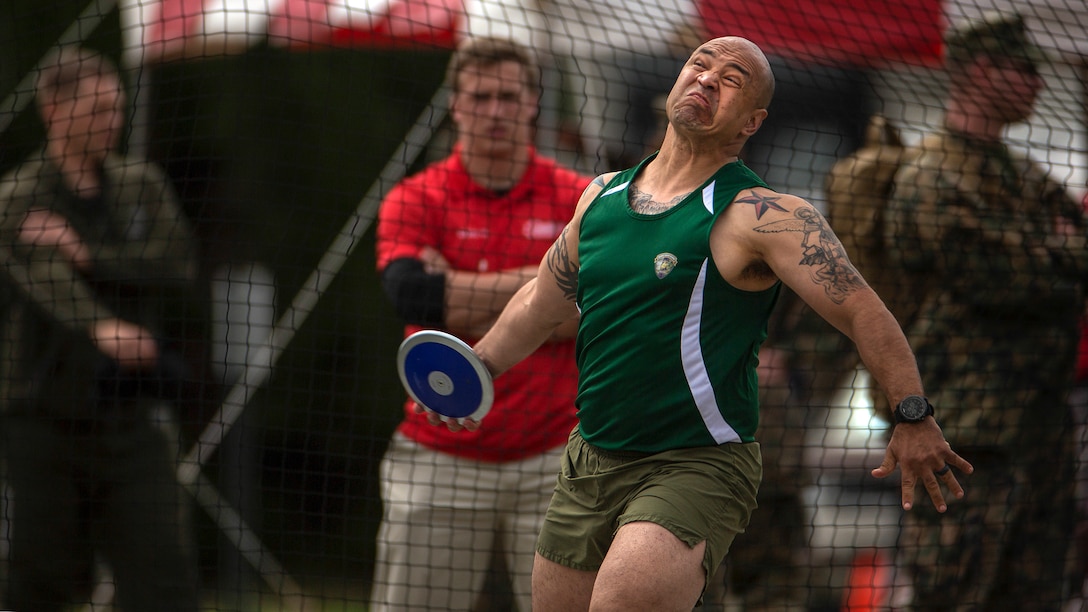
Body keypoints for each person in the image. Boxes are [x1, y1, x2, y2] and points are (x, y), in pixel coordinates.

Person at [432, 35, 971, 610]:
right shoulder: (601, 196)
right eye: (699, 64)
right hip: (589, 458)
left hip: (693, 463)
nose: (708, 79)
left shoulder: (762, 215)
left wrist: (912, 413)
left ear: (752, 122)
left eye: (732, 79)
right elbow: (543, 301)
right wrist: (478, 367)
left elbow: (863, 309)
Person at [371, 36, 590, 611]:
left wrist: (455, 290)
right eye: (481, 96)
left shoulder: (581, 198)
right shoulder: (416, 197)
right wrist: (547, 284)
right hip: (439, 448)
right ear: (457, 104)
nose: (496, 110)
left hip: (557, 458)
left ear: (534, 102)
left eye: (510, 96)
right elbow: (413, 298)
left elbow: (591, 312)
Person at [884, 12, 1088, 610]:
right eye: (1024, 69)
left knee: (1037, 594)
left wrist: (1048, 251)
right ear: (980, 71)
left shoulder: (1024, 176)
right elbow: (995, 276)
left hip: (1041, 433)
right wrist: (1057, 253)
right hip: (965, 437)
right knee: (954, 591)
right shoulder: (930, 172)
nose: (1038, 84)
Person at [0, 47, 200, 611]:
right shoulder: (19, 196)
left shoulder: (141, 184)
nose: (110, 122)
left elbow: (176, 260)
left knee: (162, 573)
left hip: (129, 415)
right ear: (53, 111)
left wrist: (90, 254)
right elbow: (43, 276)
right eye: (95, 111)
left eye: (115, 109)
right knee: (42, 574)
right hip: (40, 417)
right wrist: (100, 326)